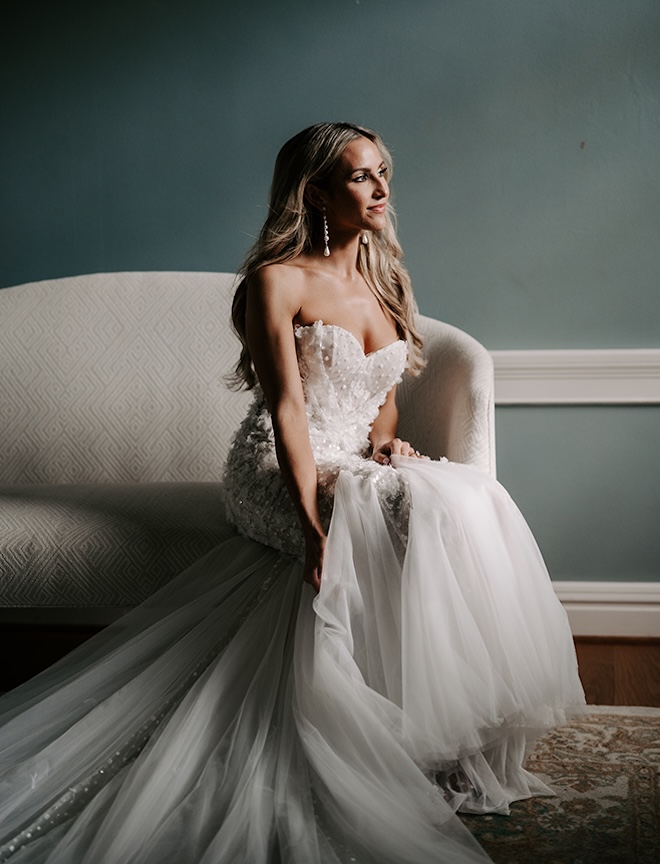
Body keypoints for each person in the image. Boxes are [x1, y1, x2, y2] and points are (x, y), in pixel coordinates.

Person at [0, 122, 585, 864]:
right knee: (390, 511)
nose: (380, 189)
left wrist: (385, 446)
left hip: (350, 455)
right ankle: (358, 737)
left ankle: (434, 735)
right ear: (313, 191)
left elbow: (385, 404)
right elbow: (288, 411)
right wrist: (313, 525)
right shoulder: (274, 283)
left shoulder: (383, 279)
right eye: (360, 177)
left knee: (463, 496)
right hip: (276, 465)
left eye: (382, 173)